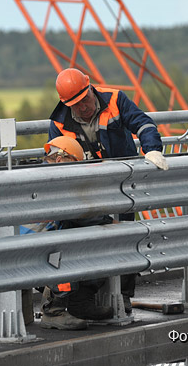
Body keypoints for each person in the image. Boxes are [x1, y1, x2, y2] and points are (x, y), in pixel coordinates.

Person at [47, 68, 169, 317]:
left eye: (85, 100)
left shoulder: (115, 100)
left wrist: (152, 149)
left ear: (90, 87)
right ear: (66, 103)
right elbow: (56, 160)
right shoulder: (59, 122)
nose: (83, 108)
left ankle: (122, 297)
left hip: (122, 184)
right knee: (86, 241)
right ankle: (84, 301)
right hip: (86, 190)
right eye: (76, 105)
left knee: (126, 239)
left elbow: (143, 123)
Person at [39, 136, 114, 331]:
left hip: (31, 245)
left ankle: (80, 304)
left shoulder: (39, 174)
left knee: (81, 239)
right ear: (60, 158)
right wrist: (109, 221)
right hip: (35, 250)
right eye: (75, 163)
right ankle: (52, 311)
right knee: (75, 245)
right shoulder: (53, 180)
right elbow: (80, 214)